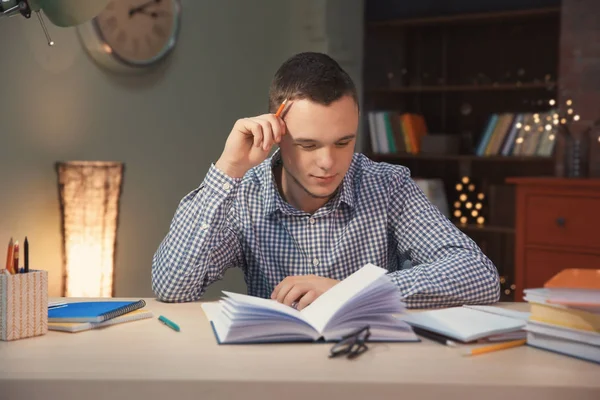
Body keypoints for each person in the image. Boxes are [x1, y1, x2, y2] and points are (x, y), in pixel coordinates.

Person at [151, 52, 500, 309]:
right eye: (308, 145)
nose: (328, 163)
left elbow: (479, 277)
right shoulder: (244, 195)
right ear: (277, 137)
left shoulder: (387, 186)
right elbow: (172, 286)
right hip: (275, 373)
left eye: (343, 142)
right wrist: (228, 168)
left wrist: (351, 290)